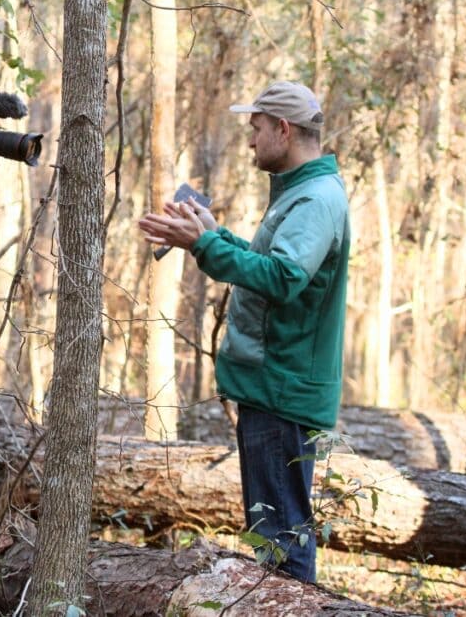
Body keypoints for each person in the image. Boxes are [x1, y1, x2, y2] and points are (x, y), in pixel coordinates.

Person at [138, 81, 349, 582]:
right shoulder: (300, 194)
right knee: (273, 538)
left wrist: (206, 245)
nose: (250, 142)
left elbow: (283, 278)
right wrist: (211, 235)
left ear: (283, 128)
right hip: (272, 388)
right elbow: (270, 263)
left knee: (281, 544)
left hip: (282, 391)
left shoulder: (315, 200)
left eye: (256, 129)